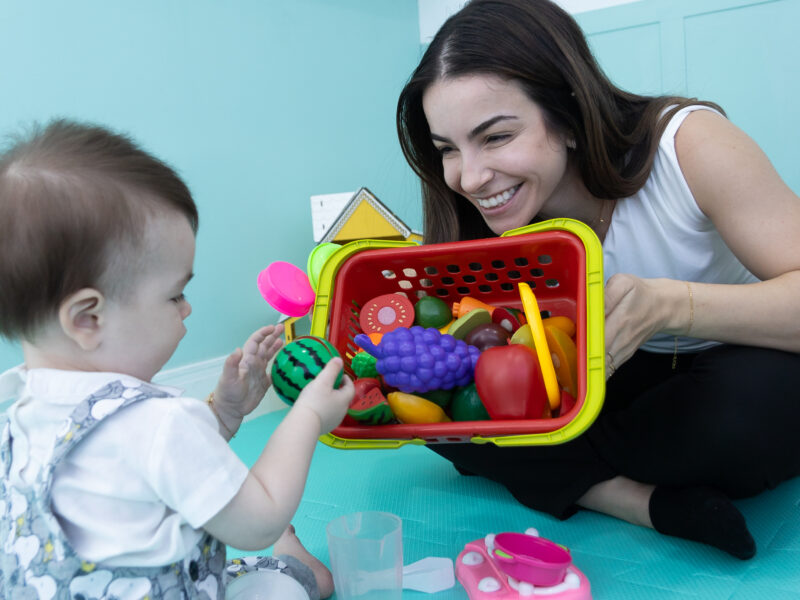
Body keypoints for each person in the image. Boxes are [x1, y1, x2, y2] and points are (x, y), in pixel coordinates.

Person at [396, 0, 800, 560]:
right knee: (443, 412)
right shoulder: (488, 217)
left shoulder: (691, 144)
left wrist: (671, 306)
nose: (469, 177)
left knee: (745, 417)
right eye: (447, 149)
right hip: (620, 372)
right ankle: (637, 501)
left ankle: (573, 468)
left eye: (495, 137)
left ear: (567, 116)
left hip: (744, 354)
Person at [0, 119, 354, 598]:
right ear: (87, 318)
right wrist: (308, 416)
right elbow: (261, 519)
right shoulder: (159, 423)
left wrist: (223, 414)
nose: (186, 309)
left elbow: (146, 475)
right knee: (279, 584)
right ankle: (297, 567)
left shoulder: (20, 415)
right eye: (174, 295)